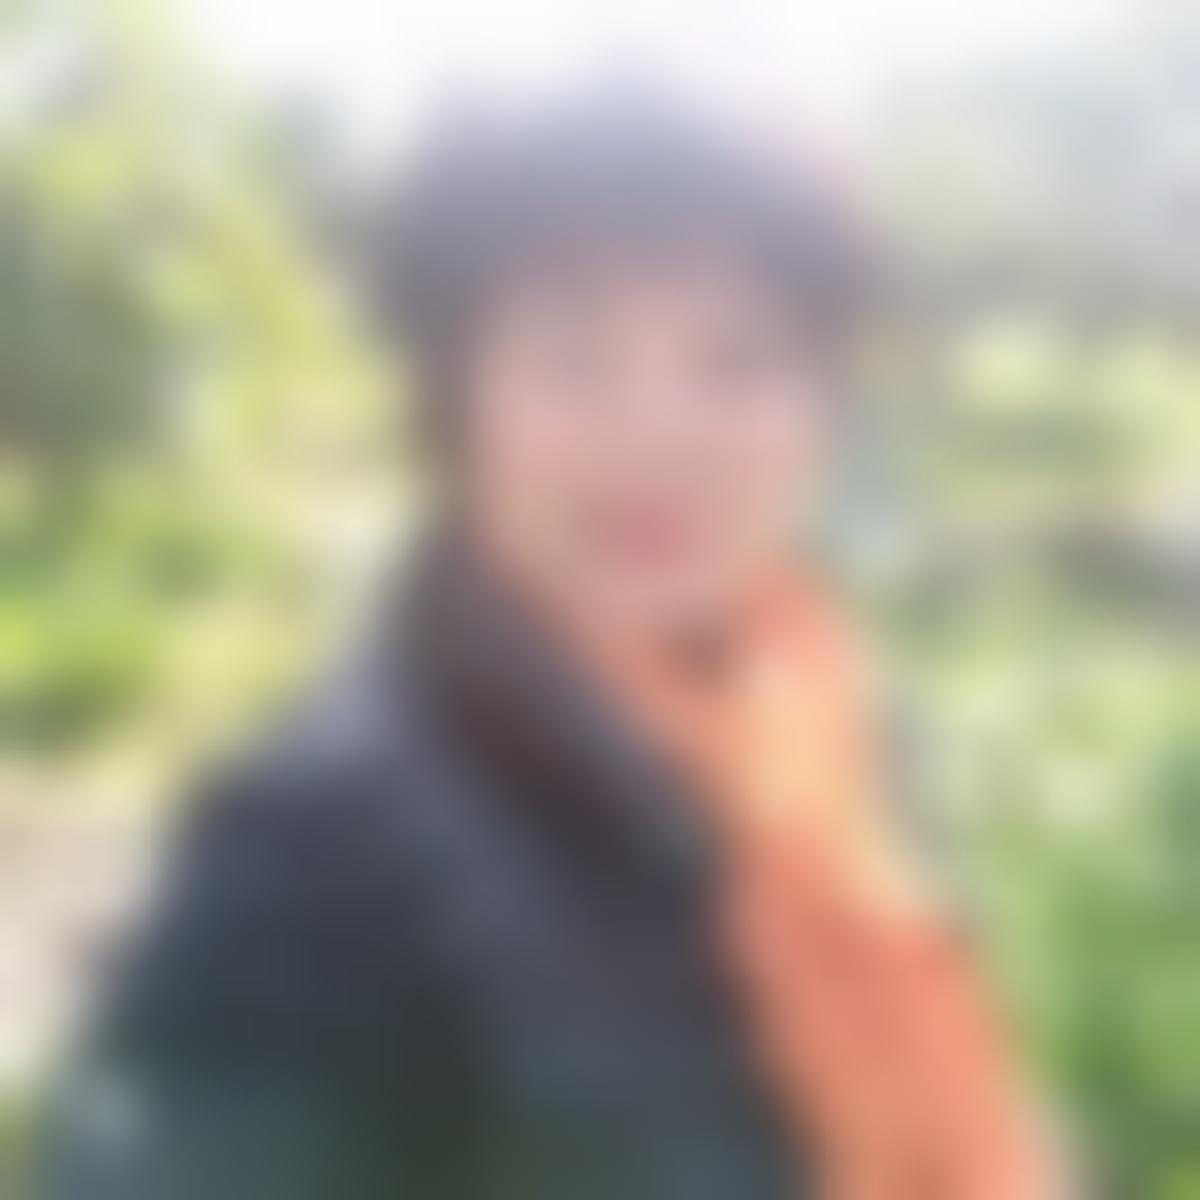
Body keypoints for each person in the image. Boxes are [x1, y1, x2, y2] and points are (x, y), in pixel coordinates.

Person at [37, 82, 1049, 1199]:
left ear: (824, 406)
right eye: (576, 357)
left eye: (738, 360)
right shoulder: (317, 854)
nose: (656, 436)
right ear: (456, 403)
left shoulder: (827, 731)